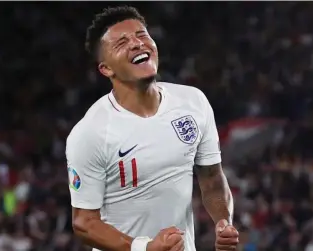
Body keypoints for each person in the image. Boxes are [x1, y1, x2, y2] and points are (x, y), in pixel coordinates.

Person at [66, 6, 239, 251]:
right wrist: (144, 248)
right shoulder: (90, 133)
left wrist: (223, 222)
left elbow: (211, 178)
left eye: (142, 35)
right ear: (106, 69)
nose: (137, 44)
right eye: (122, 42)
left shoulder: (193, 102)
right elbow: (84, 222)